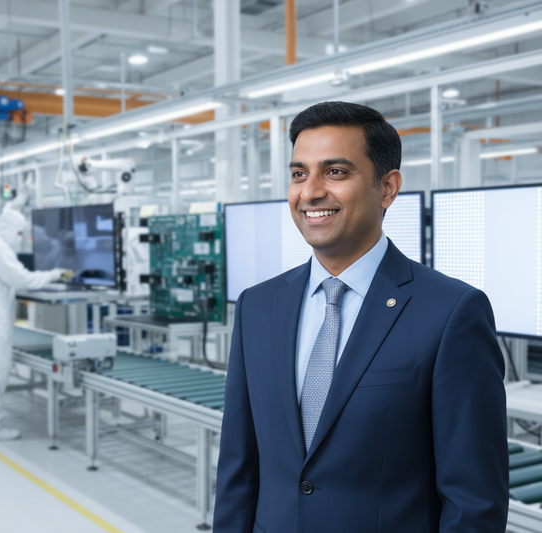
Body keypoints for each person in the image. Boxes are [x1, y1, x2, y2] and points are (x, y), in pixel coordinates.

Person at [213, 101, 508, 533]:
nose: (310, 192)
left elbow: (474, 500)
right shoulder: (258, 306)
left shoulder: (450, 312)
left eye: (335, 172)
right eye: (299, 174)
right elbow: (239, 470)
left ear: (387, 187)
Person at [0, 209, 66, 440]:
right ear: (9, 228)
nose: (20, 238)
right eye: (19, 232)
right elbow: (22, 279)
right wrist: (52, 275)